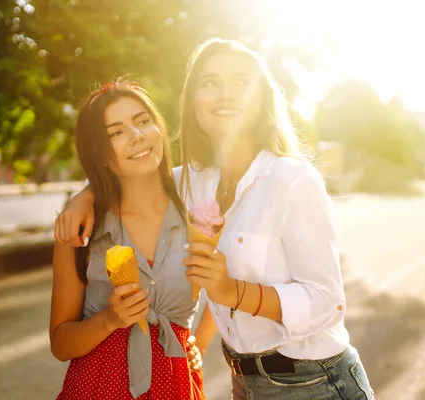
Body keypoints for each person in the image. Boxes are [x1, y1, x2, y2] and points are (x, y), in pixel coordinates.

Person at [56, 39, 375, 400]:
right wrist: (83, 198)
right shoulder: (194, 182)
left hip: (316, 383)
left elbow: (327, 303)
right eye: (210, 82)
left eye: (241, 81)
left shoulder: (292, 179)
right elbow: (130, 174)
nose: (226, 94)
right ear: (192, 102)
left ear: (262, 99)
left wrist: (231, 292)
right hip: (246, 383)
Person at [50, 79, 205, 400]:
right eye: (116, 132)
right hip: (97, 388)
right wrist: (109, 319)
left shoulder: (199, 212)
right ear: (101, 153)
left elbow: (227, 284)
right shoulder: (79, 229)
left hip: (176, 387)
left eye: (143, 121)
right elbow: (60, 344)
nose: (136, 136)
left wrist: (197, 343)